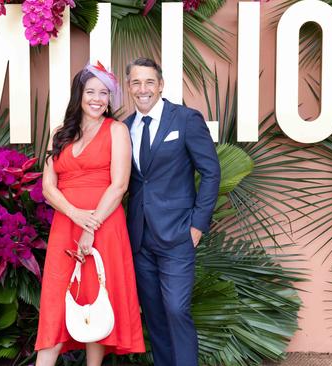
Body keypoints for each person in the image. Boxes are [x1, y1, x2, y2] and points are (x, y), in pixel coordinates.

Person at [35, 62, 145, 366]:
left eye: (104, 93)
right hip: (65, 227)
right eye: (90, 91)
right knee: (55, 305)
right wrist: (76, 215)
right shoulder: (60, 133)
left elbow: (119, 184)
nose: (97, 98)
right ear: (79, 95)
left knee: (97, 299)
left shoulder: (117, 130)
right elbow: (48, 187)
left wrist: (90, 226)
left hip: (105, 226)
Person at [123, 57, 221, 366]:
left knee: (177, 310)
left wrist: (197, 226)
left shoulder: (186, 120)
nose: (143, 89)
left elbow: (211, 172)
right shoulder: (124, 128)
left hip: (178, 234)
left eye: (149, 82)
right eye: (136, 82)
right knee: (155, 317)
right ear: (129, 87)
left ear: (161, 85)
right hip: (140, 238)